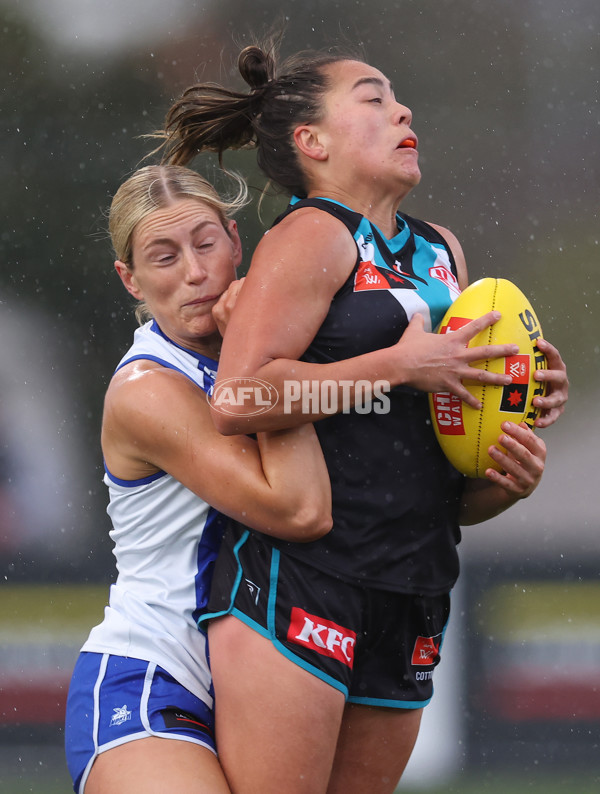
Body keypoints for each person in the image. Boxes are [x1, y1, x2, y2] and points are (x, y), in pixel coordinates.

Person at [160, 43, 569, 794]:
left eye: (398, 98)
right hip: (307, 578)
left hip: (413, 579)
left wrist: (509, 456)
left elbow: (441, 469)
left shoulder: (442, 251)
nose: (402, 110)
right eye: (372, 99)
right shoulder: (311, 236)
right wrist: (395, 367)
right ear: (311, 143)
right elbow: (238, 401)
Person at [63, 164, 333, 794]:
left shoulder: (294, 346)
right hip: (151, 675)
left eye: (206, 244)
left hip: (267, 678)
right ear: (129, 278)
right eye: (163, 256)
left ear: (236, 244)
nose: (194, 272)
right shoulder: (146, 390)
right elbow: (300, 510)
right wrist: (261, 352)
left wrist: (518, 402)